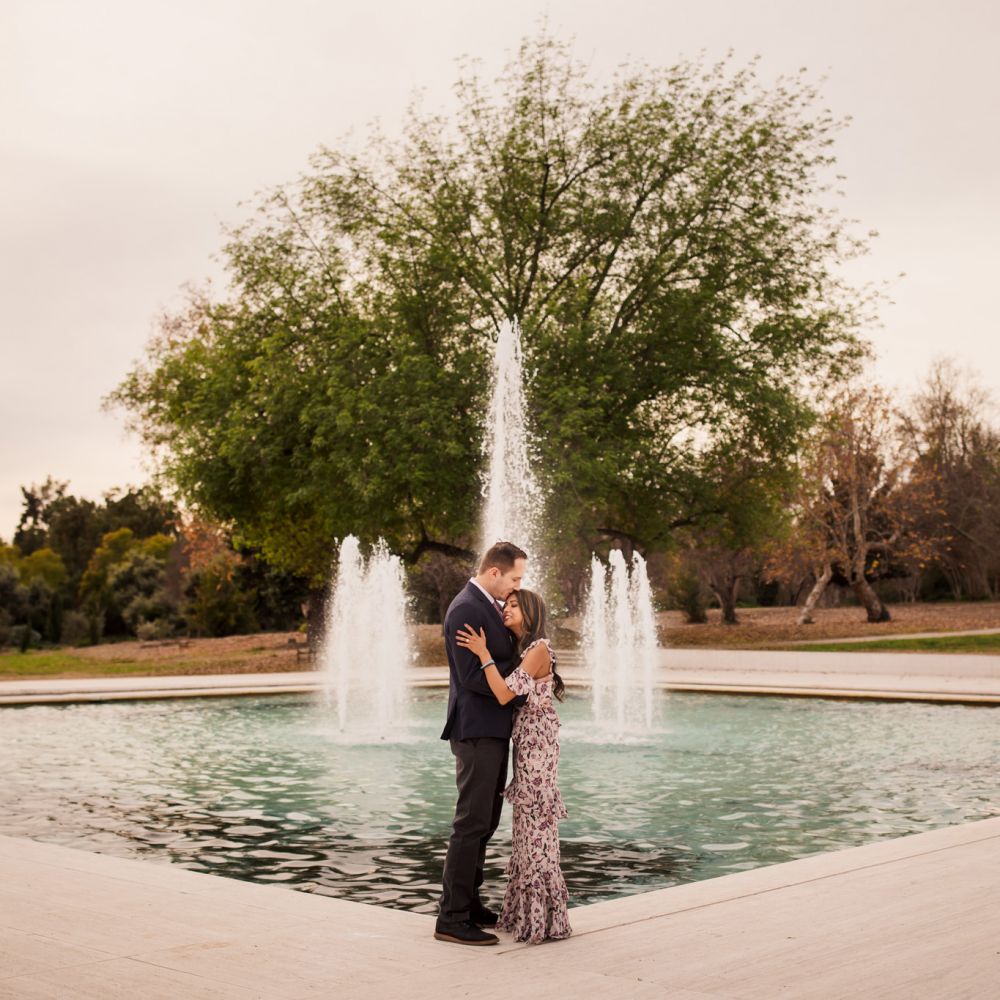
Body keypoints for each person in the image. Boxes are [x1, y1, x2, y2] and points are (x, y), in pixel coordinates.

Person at [455, 588, 571, 944]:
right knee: (526, 828)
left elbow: (505, 694)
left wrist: (483, 654)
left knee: (535, 827)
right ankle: (529, 914)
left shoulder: (538, 649)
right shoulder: (526, 649)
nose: (507, 609)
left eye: (516, 606)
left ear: (531, 612)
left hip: (538, 748)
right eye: (506, 604)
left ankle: (543, 919)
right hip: (529, 745)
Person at [435, 541, 528, 947]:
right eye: (515, 578)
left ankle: (469, 904)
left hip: (493, 729)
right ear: (495, 572)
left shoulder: (486, 605)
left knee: (485, 821)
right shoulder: (467, 608)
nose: (517, 586)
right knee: (470, 822)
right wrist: (519, 676)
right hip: (475, 730)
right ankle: (451, 917)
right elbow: (472, 676)